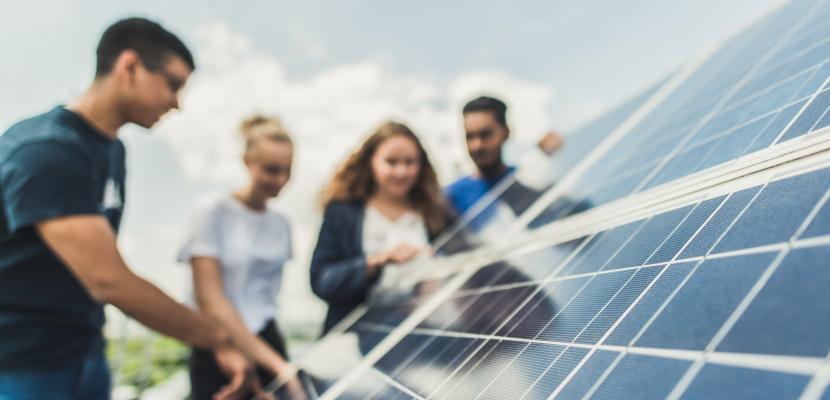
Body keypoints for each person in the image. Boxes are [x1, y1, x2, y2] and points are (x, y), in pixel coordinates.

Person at [0, 18, 258, 399]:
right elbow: (107, 279)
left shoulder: (112, 150)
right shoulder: (47, 151)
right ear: (130, 66)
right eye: (173, 84)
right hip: (24, 366)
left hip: (85, 353)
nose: (177, 102)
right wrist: (217, 339)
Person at [179, 115, 305, 399]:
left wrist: (272, 360)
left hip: (267, 338)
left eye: (288, 170)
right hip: (217, 345)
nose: (281, 180)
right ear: (247, 161)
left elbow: (265, 296)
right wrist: (279, 366)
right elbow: (210, 300)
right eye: (271, 170)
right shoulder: (210, 213)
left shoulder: (281, 223)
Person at [310, 121, 450, 334]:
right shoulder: (343, 212)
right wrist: (376, 262)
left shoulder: (434, 213)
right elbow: (321, 281)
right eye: (391, 162)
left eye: (410, 162)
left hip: (420, 335)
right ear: (371, 162)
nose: (401, 171)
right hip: (354, 338)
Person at [445, 96, 564, 217]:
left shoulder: (528, 179)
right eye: (470, 136)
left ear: (506, 132)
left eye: (485, 134)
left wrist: (547, 154)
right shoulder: (450, 197)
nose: (477, 145)